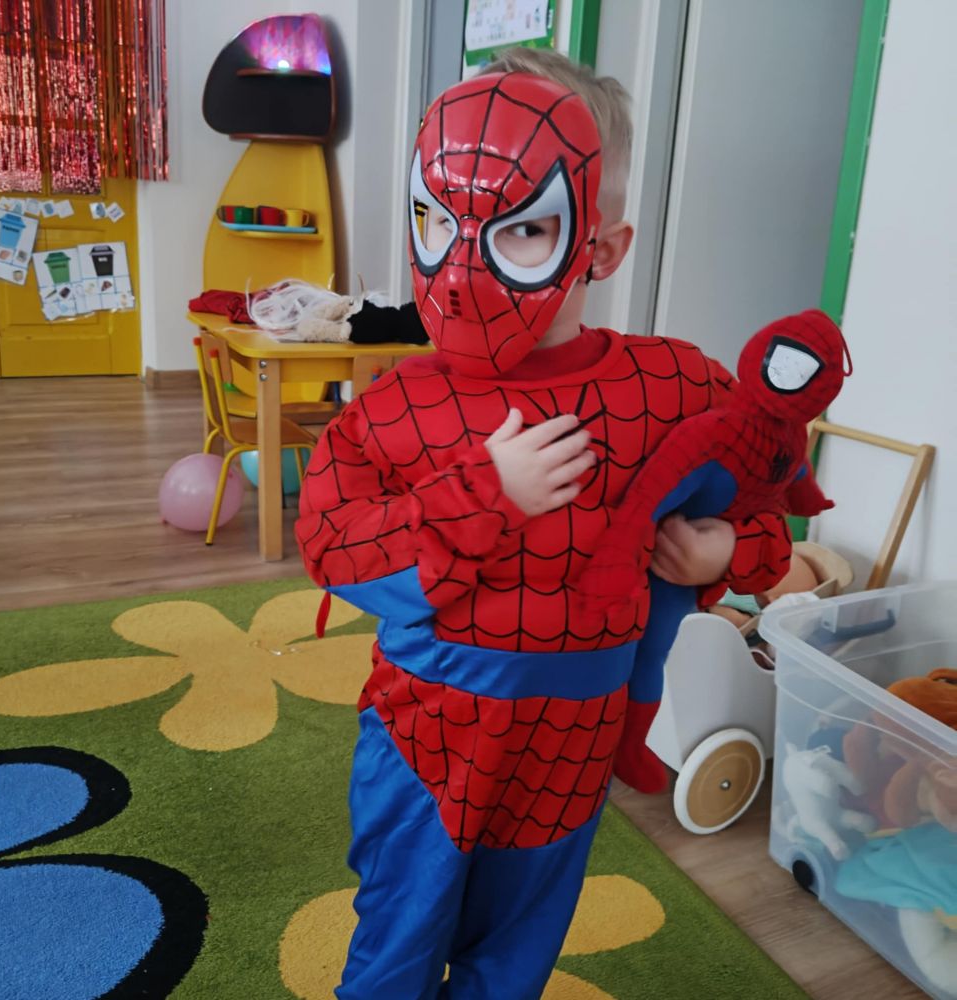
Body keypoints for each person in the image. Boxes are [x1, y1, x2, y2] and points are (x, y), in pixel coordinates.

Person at [295, 47, 792, 999]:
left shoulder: (672, 387)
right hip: (431, 732)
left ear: (599, 248)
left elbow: (765, 493)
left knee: (519, 944)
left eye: (524, 225)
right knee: (400, 934)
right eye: (442, 218)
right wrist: (484, 494)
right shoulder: (397, 405)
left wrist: (728, 550)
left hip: (574, 737)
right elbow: (334, 546)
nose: (468, 257)